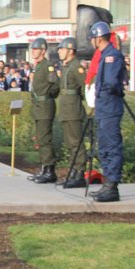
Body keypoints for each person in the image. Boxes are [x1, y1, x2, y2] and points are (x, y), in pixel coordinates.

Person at [89, 22, 126, 202]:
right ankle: (107, 184)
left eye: (92, 39)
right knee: (103, 147)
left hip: (110, 107)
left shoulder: (112, 56)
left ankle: (112, 186)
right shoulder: (105, 55)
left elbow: (111, 83)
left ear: (98, 38)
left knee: (111, 147)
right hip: (104, 108)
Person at [27, 38, 60, 184]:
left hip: (45, 106)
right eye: (32, 49)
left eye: (36, 49)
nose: (33, 52)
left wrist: (46, 96)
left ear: (43, 50)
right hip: (38, 107)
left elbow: (55, 86)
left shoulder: (47, 66)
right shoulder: (38, 66)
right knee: (40, 139)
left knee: (45, 139)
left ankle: (49, 170)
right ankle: (44, 167)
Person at [56, 37, 87, 189]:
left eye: (62, 49)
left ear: (70, 50)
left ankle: (79, 173)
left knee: (76, 143)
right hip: (66, 110)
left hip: (73, 110)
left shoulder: (76, 67)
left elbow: (86, 86)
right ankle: (74, 171)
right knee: (70, 143)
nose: (59, 52)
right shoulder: (66, 67)